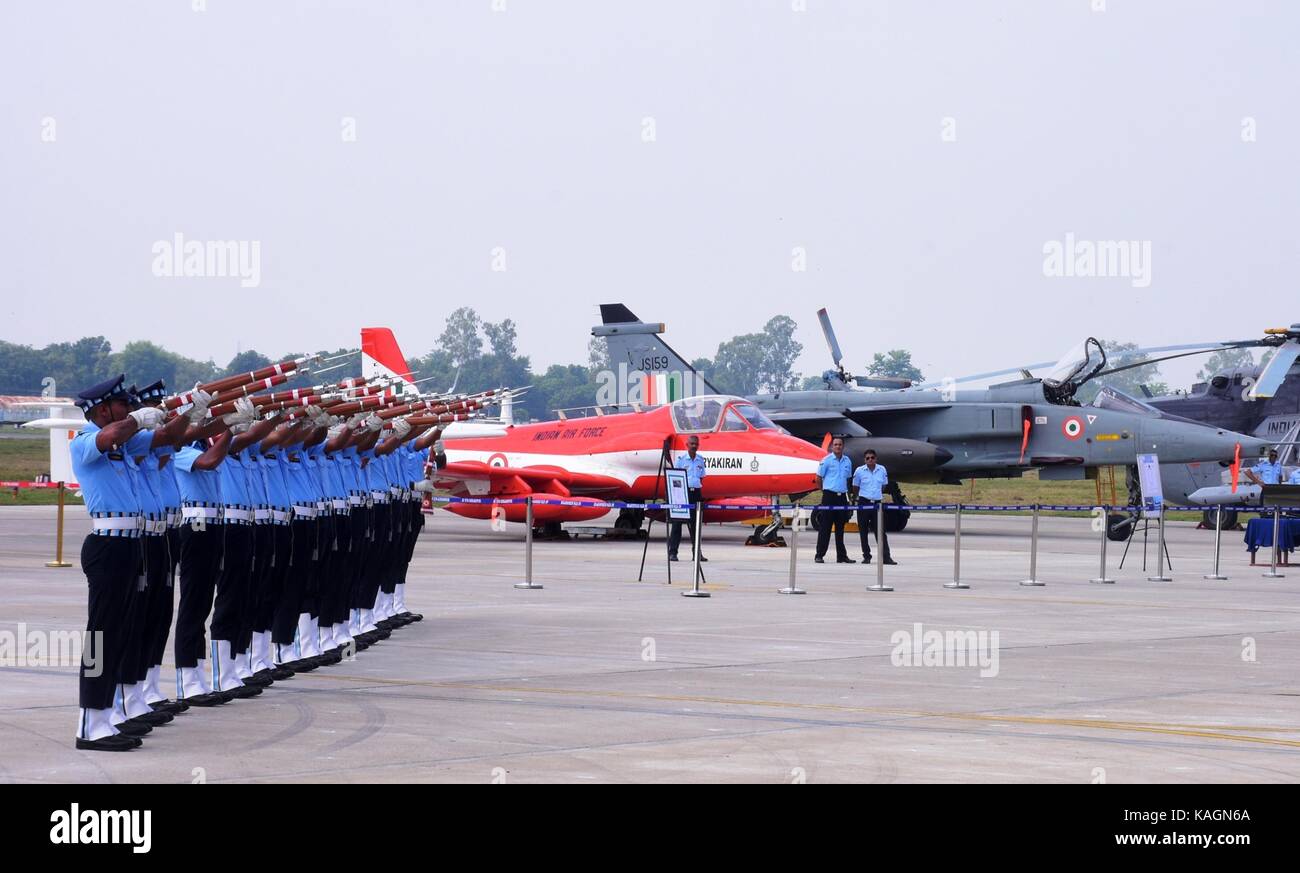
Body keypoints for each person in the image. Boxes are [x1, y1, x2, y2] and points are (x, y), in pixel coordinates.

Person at [69, 375, 173, 751]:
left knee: (123, 632)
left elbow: (169, 437)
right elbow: (110, 436)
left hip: (132, 545)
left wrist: (194, 412)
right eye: (122, 405)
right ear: (102, 410)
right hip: (108, 546)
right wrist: (138, 419)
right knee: (102, 635)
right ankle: (90, 723)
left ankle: (109, 714)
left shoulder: (124, 444)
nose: (129, 408)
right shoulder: (84, 442)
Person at [814, 437, 854, 563]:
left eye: (840, 444)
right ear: (832, 446)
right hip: (829, 496)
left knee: (840, 527)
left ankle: (841, 556)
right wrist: (825, 491)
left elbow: (848, 479)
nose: (838, 446)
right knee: (825, 527)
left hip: (842, 497)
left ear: (843, 446)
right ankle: (819, 555)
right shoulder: (826, 460)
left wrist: (848, 497)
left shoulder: (847, 461)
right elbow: (818, 478)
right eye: (835, 444)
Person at [667, 435, 707, 562]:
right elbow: (676, 478)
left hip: (696, 494)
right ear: (687, 445)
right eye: (692, 444)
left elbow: (701, 477)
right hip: (683, 494)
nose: (694, 446)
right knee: (677, 524)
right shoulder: (681, 460)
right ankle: (673, 553)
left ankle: (697, 553)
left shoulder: (700, 460)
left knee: (696, 525)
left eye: (696, 444)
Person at [852, 449, 896, 565]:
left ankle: (886, 557)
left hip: (877, 503)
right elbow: (855, 487)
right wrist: (859, 498)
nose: (870, 460)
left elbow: (884, 485)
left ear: (876, 458)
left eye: (872, 457)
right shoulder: (859, 471)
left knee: (880, 531)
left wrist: (876, 494)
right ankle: (866, 556)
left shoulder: (882, 469)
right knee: (863, 531)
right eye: (867, 458)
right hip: (864, 502)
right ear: (864, 460)